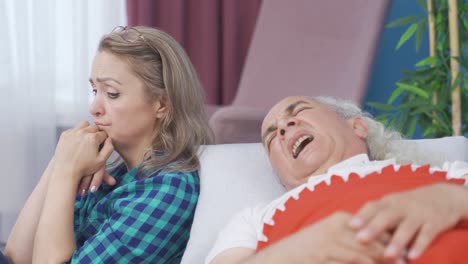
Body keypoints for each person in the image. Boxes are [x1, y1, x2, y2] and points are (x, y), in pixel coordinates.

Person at [4, 26, 212, 263]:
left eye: (112, 93)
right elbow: (17, 255)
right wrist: (61, 159)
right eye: (95, 90)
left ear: (161, 104)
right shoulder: (111, 174)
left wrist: (65, 172)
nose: (94, 108)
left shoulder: (168, 189)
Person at [207, 95, 468, 264]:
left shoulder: (447, 175)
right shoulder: (256, 219)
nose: (284, 128)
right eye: (272, 137)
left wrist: (452, 198)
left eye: (298, 111)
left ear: (357, 126)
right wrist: (293, 252)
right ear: (279, 173)